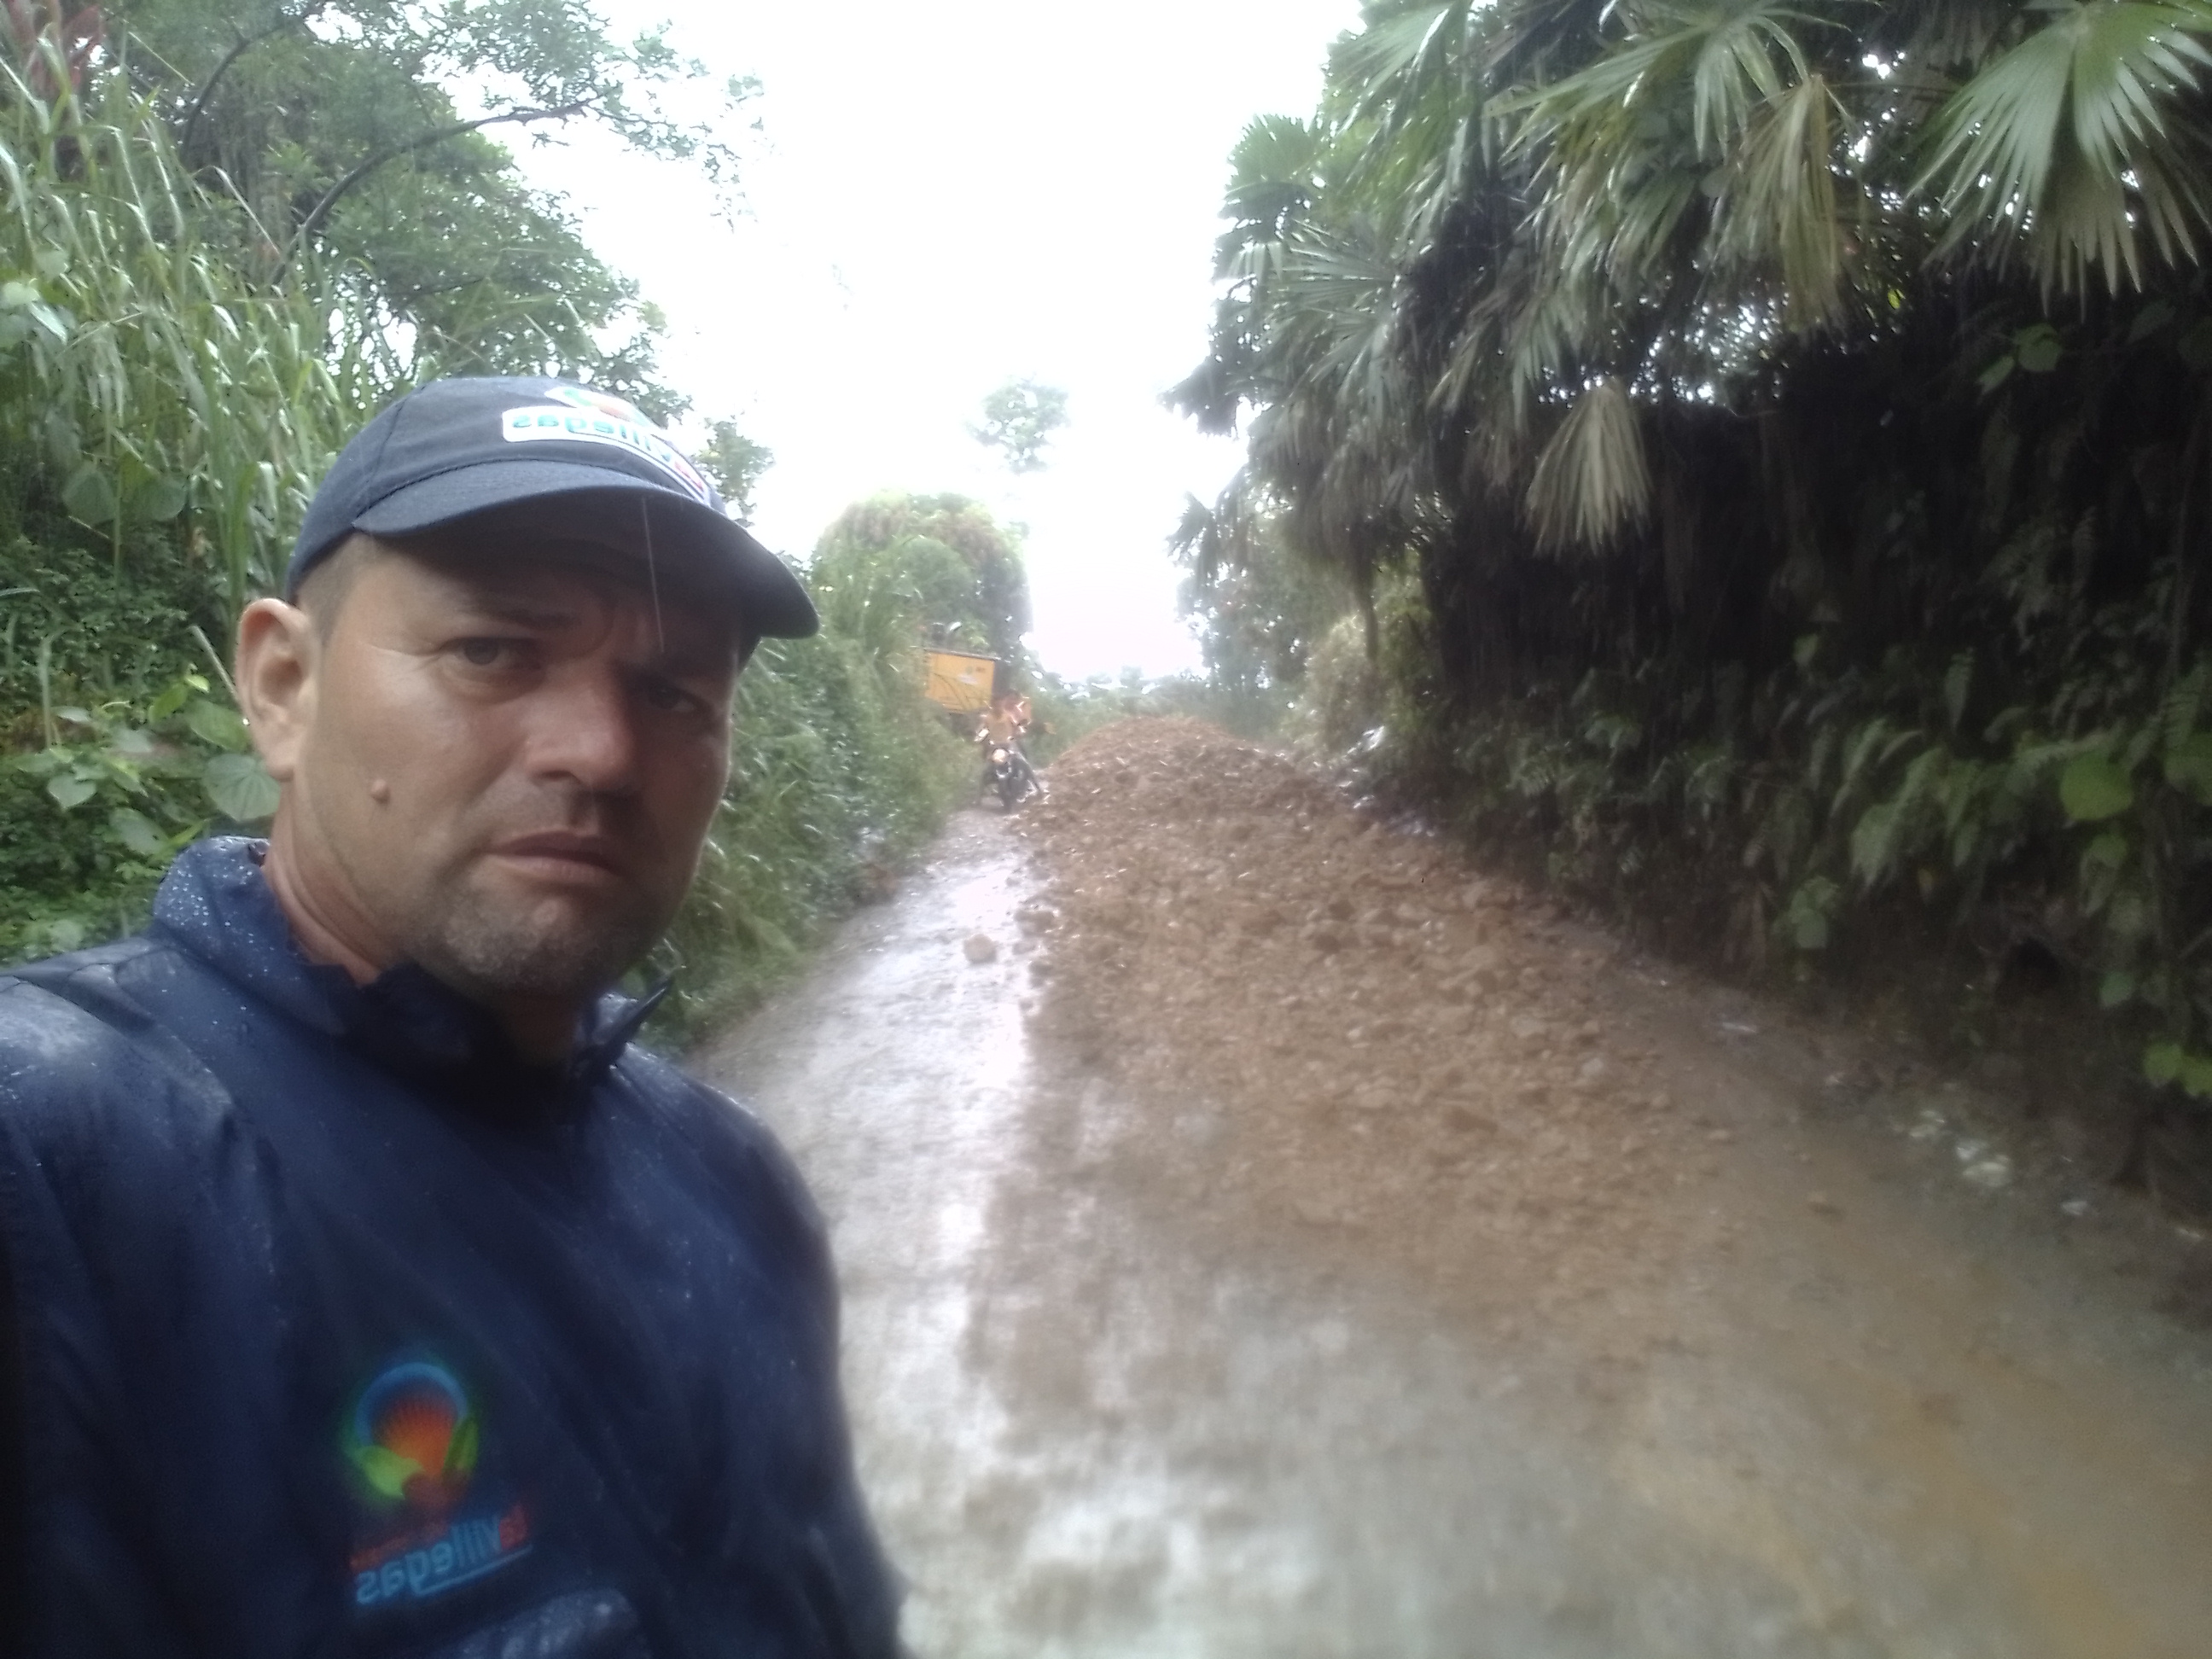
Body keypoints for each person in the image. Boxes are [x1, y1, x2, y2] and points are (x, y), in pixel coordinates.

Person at [0, 378, 902, 1657]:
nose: (601, 751)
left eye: (674, 693)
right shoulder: (54, 1175)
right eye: (493, 652)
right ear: (284, 687)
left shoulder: (734, 1181)